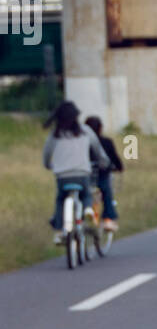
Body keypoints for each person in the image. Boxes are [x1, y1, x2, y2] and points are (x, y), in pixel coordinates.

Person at [43, 101, 110, 243]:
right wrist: (104, 162)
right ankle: (87, 210)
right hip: (82, 173)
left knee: (60, 199)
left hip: (62, 176)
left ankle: (60, 231)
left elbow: (47, 153)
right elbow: (98, 149)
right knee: (86, 195)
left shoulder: (55, 134)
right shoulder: (85, 131)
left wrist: (48, 165)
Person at [84, 115, 124, 231]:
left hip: (86, 175)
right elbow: (114, 158)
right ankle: (108, 219)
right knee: (107, 193)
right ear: (100, 128)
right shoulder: (106, 142)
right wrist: (119, 167)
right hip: (101, 175)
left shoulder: (83, 142)